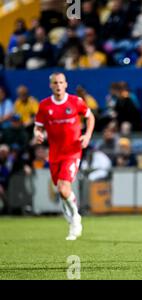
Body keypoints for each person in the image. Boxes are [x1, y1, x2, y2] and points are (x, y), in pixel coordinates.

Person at [34, 72, 95, 240]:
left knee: (63, 188)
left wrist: (87, 135)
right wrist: (38, 134)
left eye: (61, 82)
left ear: (66, 84)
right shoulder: (45, 105)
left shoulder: (76, 102)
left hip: (73, 151)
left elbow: (90, 118)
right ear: (50, 85)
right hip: (54, 153)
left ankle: (75, 218)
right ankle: (72, 216)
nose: (58, 85)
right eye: (55, 83)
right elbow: (38, 126)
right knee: (61, 191)